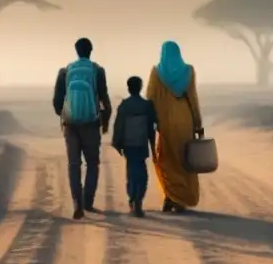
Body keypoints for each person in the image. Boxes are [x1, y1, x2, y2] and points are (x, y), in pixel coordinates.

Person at [52, 37, 112, 219]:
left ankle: (77, 203)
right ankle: (88, 201)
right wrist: (105, 121)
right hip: (91, 124)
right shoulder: (97, 71)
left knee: (73, 164)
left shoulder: (65, 71)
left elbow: (57, 101)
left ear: (76, 51)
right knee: (92, 163)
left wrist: (66, 113)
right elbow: (104, 99)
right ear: (90, 51)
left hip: (70, 124)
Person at [146, 40, 203, 213]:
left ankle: (171, 196)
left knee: (166, 160)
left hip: (166, 123)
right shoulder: (189, 71)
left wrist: (150, 121)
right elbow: (193, 98)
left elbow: (150, 97)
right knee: (185, 160)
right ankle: (180, 199)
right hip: (185, 121)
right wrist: (198, 124)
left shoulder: (156, 73)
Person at [111, 75, 157, 217]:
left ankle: (132, 199)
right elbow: (152, 128)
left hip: (128, 145)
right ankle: (138, 199)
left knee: (131, 172)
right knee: (142, 173)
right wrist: (153, 146)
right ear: (140, 87)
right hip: (141, 144)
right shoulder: (147, 105)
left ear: (128, 88)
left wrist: (118, 144)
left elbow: (118, 126)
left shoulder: (124, 106)